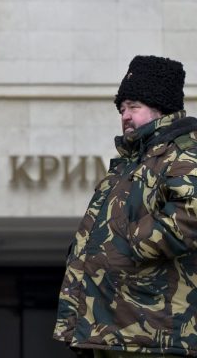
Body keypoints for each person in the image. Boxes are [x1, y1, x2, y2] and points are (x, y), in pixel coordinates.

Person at [54, 55, 197, 358]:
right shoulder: (131, 164)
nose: (126, 116)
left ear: (162, 109)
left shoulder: (184, 153)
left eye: (134, 106)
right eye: (122, 109)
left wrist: (130, 241)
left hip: (154, 334)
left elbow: (190, 214)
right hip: (115, 330)